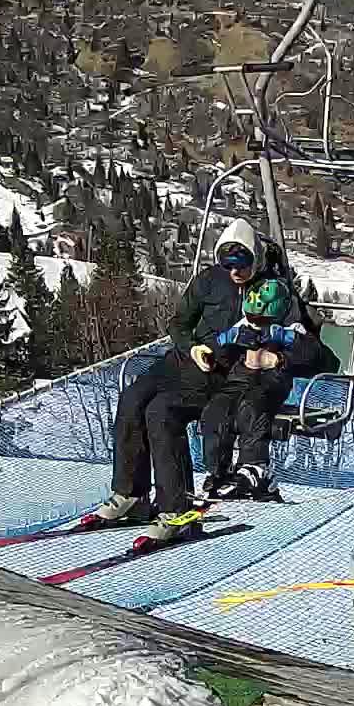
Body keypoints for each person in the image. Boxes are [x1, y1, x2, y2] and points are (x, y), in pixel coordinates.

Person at [90, 218, 273, 546]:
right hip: (187, 359)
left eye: (242, 266)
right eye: (228, 266)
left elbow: (282, 336)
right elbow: (178, 324)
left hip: (222, 374)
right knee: (132, 397)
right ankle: (132, 495)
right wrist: (191, 347)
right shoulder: (209, 281)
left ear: (255, 260)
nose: (235, 273)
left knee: (162, 412)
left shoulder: (270, 291)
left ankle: (178, 511)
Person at [198, 276, 333, 500]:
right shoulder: (242, 327)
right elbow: (218, 345)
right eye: (251, 318)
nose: (255, 324)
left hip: (271, 382)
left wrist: (280, 356)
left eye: (261, 320)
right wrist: (222, 346)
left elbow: (316, 356)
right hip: (239, 379)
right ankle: (218, 469)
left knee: (252, 405)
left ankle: (255, 467)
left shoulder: (292, 329)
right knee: (216, 409)